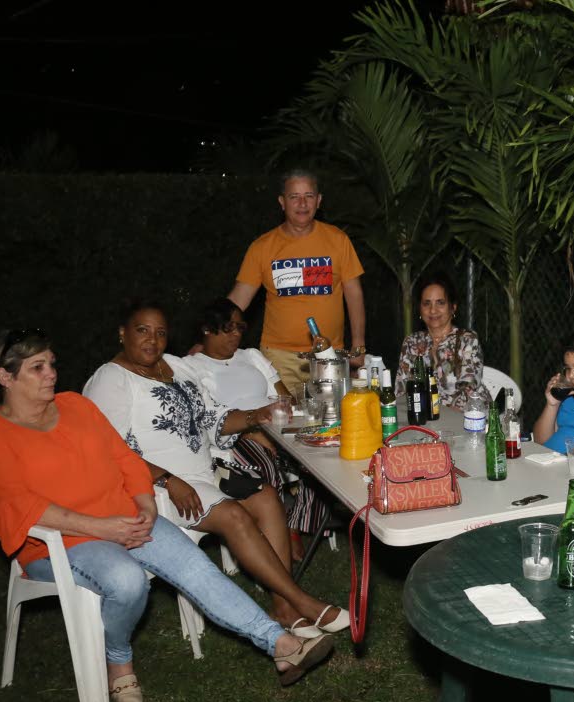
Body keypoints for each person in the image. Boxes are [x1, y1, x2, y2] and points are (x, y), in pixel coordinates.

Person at [0, 329, 338, 702]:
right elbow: (22, 506)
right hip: (62, 543)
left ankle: (282, 645)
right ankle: (118, 660)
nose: (51, 373)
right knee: (127, 580)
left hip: (128, 519)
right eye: (37, 368)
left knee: (196, 568)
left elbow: (125, 459)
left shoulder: (75, 407)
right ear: (5, 377)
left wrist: (145, 504)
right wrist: (102, 528)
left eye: (51, 364)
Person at [83, 301, 349, 640]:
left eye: (161, 332)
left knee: (266, 497)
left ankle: (282, 607)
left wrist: (257, 415)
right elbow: (105, 449)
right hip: (161, 485)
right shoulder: (111, 379)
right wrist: (165, 478)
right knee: (234, 516)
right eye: (142, 330)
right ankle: (303, 602)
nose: (153, 340)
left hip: (208, 468)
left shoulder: (176, 367)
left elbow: (213, 418)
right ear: (122, 333)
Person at [184, 298, 331, 563]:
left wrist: (287, 425)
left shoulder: (251, 356)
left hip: (277, 425)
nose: (236, 334)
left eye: (240, 328)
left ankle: (293, 524)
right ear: (207, 329)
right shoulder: (193, 367)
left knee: (323, 460)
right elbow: (210, 419)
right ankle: (276, 533)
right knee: (264, 463)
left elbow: (285, 399)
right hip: (235, 437)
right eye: (228, 327)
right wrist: (255, 428)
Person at [227, 168, 367, 388]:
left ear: (318, 200)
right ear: (282, 202)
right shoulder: (262, 247)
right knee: (285, 421)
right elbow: (237, 301)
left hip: (328, 356)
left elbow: (354, 294)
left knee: (331, 419)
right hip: (278, 359)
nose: (302, 204)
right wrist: (208, 341)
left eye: (308, 196)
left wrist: (358, 345)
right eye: (294, 197)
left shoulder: (338, 240)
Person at [395, 272, 487, 411]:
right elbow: (402, 391)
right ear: (420, 309)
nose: (433, 310)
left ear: (453, 307)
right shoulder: (412, 342)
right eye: (427, 303)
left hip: (469, 419)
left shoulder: (467, 340)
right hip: (425, 419)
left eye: (440, 303)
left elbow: (468, 391)